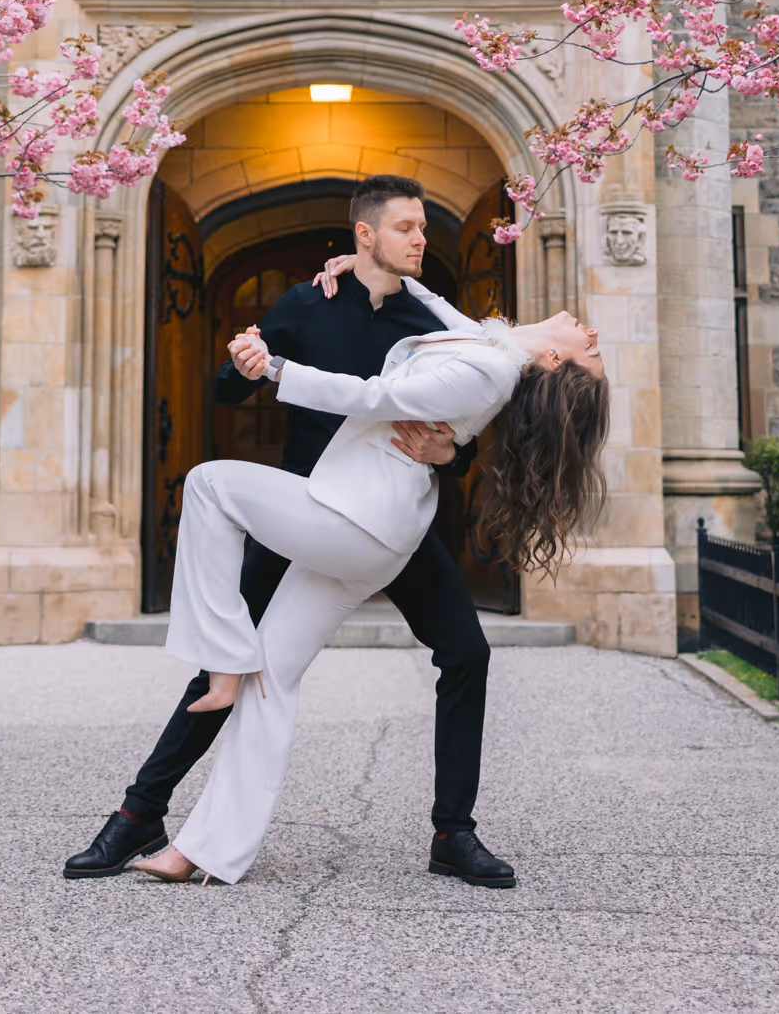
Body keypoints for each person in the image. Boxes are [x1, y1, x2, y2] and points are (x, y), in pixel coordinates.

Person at [62, 176, 518, 889]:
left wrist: (450, 456)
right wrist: (245, 365)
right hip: (303, 512)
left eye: (424, 228)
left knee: (467, 653)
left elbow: (456, 429)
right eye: (407, 228)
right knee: (232, 664)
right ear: (365, 235)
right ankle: (138, 814)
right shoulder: (306, 302)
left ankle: (452, 834)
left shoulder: (431, 331)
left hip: (389, 518)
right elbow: (227, 387)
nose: (422, 239)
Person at [131, 257, 609, 886]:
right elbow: (438, 303)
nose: (595, 337)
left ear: (554, 361)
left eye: (591, 355)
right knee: (271, 677)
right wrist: (377, 267)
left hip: (355, 519)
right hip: (372, 525)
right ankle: (203, 851)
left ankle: (221, 657)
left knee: (208, 483)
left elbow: (374, 396)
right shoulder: (490, 343)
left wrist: (275, 369)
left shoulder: (490, 366)